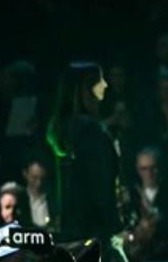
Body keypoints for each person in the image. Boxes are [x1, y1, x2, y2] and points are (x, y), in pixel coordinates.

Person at [45, 62, 120, 243]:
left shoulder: (64, 129)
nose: (106, 84)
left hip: (74, 226)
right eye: (99, 80)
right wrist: (112, 224)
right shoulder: (89, 130)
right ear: (86, 88)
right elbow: (100, 180)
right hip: (95, 228)